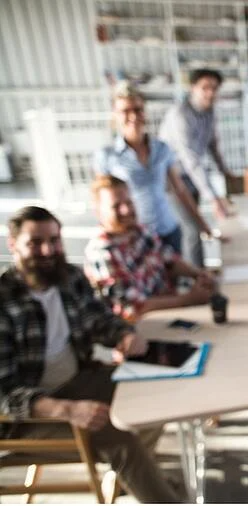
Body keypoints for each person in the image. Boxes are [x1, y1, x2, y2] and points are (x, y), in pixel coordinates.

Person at [0, 206, 181, 503]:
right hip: (26, 416)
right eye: (35, 242)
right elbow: (4, 392)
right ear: (13, 244)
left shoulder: (69, 277)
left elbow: (100, 320)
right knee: (121, 440)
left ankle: (138, 477)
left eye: (54, 240)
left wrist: (124, 335)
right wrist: (67, 410)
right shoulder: (3, 300)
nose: (47, 250)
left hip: (78, 379)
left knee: (153, 394)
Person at [95, 81, 215, 255]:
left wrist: (201, 223)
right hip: (134, 236)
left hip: (168, 230)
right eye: (125, 111)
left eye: (138, 109)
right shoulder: (107, 156)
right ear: (115, 115)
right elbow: (101, 202)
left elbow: (180, 189)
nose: (133, 116)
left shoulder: (162, 148)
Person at [85, 175, 217, 322]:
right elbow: (133, 308)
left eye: (129, 202)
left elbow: (169, 260)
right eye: (116, 206)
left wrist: (199, 274)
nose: (126, 210)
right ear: (98, 212)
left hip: (171, 309)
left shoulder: (139, 230)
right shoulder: (101, 252)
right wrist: (188, 299)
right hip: (145, 325)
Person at [159, 68, 234, 268]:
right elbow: (191, 160)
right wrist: (214, 199)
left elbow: (212, 145)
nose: (210, 92)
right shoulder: (179, 115)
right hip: (173, 180)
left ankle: (199, 273)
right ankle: (198, 280)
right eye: (205, 87)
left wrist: (225, 172)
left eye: (214, 88)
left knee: (197, 228)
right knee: (192, 229)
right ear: (193, 88)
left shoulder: (209, 112)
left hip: (191, 177)